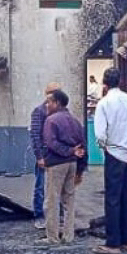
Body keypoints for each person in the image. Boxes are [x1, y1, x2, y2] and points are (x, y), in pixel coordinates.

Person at [92, 67, 127, 254]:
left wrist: (104, 147)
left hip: (114, 153)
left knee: (112, 198)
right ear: (120, 81)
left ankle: (113, 243)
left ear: (104, 83)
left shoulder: (104, 103)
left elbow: (100, 134)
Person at [39, 89, 87, 244]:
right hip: (72, 164)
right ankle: (68, 235)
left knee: (52, 201)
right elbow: (83, 145)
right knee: (69, 200)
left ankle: (52, 237)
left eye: (49, 101)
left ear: (57, 103)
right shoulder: (75, 121)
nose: (47, 105)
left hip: (56, 163)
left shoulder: (51, 120)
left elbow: (51, 143)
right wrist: (80, 168)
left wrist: (67, 151)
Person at [29, 81, 61, 229]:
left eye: (57, 91)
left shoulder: (61, 112)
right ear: (46, 94)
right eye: (52, 91)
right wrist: (39, 156)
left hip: (58, 156)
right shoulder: (39, 111)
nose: (54, 94)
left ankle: (55, 215)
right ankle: (39, 215)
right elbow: (35, 135)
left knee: (57, 187)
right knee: (40, 186)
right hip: (45, 155)